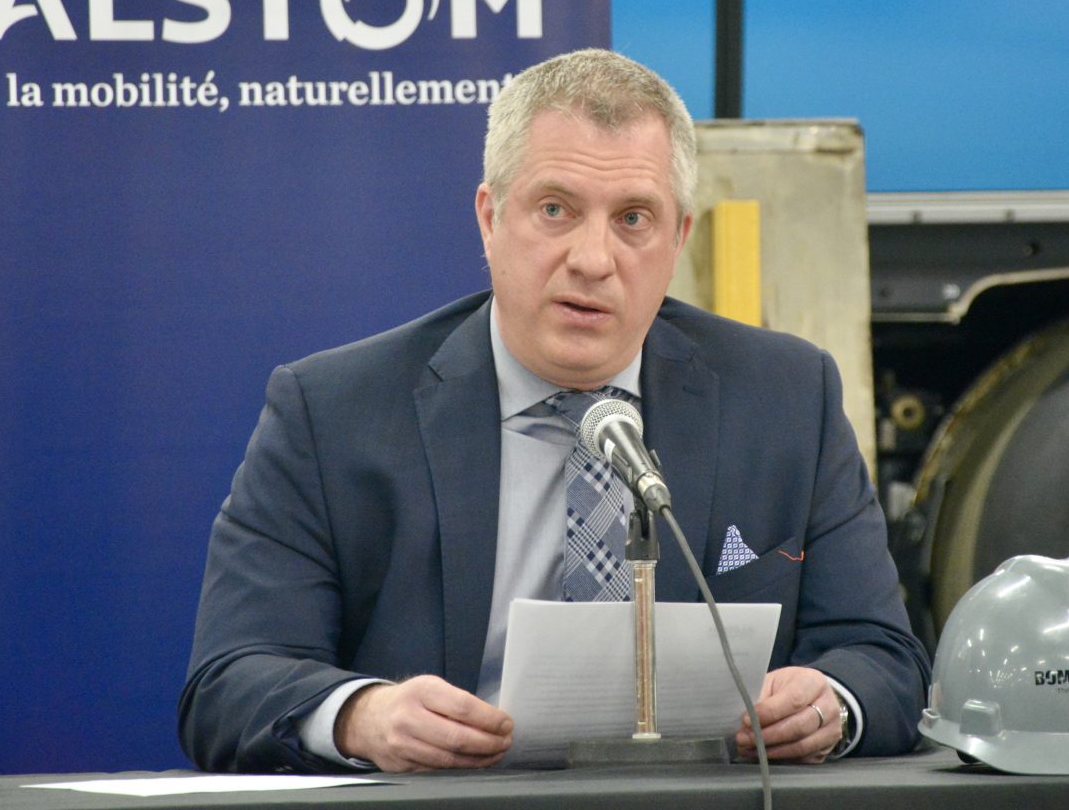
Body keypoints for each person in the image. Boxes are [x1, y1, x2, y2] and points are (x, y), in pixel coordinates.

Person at [178, 48, 930, 773]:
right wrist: (363, 717)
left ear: (678, 238)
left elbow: (887, 662)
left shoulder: (787, 399)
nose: (593, 260)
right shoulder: (333, 414)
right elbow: (229, 682)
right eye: (555, 209)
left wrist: (830, 703)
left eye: (633, 219)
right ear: (490, 218)